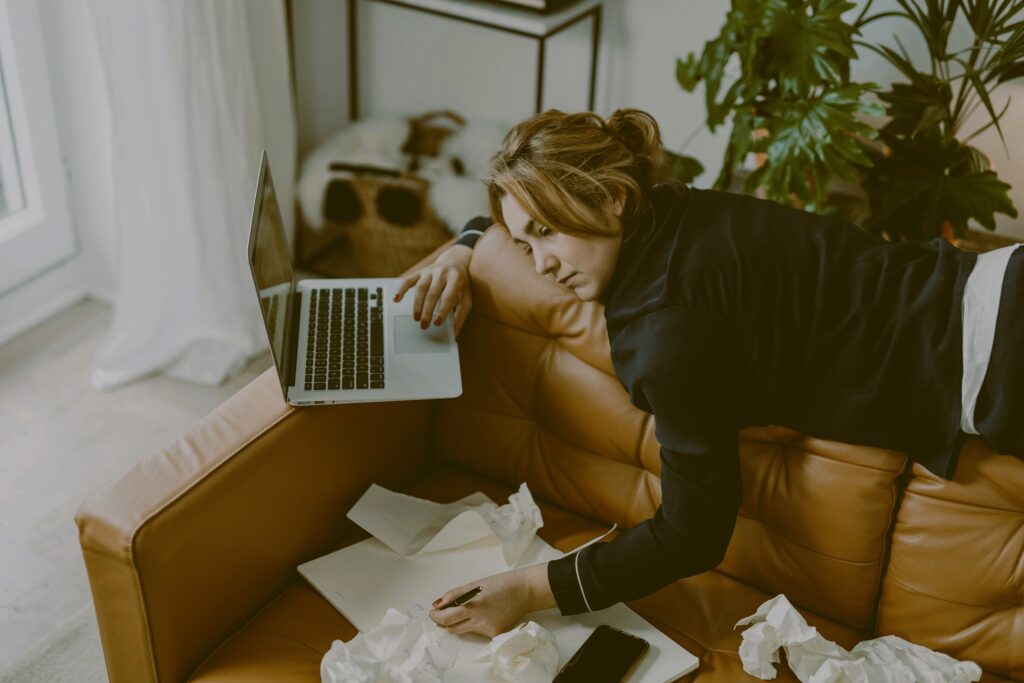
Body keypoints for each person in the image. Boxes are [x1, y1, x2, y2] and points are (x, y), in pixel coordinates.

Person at [391, 108, 1024, 638]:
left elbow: (693, 533)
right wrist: (464, 247)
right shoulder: (664, 207)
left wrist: (532, 589)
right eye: (526, 244)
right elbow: (526, 201)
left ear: (610, 198)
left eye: (548, 232)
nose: (540, 264)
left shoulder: (666, 331)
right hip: (994, 286)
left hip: (1000, 361)